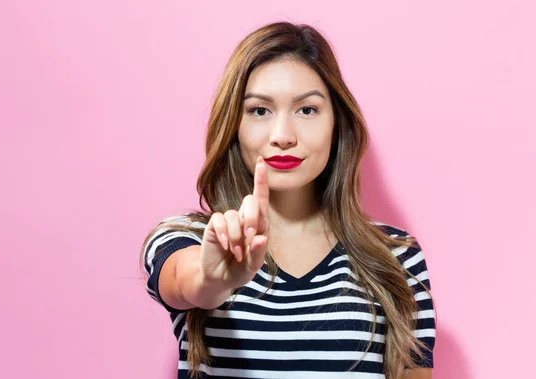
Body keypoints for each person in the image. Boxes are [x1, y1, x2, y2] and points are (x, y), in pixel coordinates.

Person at [140, 21, 436, 379]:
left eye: (307, 110)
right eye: (259, 111)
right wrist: (210, 281)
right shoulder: (189, 237)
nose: (283, 136)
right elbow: (184, 280)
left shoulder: (397, 257)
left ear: (336, 123)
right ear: (234, 124)